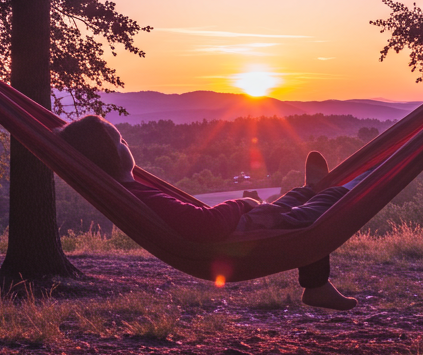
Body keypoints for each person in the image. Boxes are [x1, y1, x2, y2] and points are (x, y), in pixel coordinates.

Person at [59, 114, 358, 310]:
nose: (127, 143)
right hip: (238, 233)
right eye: (121, 140)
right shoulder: (139, 196)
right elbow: (206, 226)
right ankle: (348, 185)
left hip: (239, 228)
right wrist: (243, 204)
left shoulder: (130, 192)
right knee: (321, 210)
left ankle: (311, 197)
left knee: (294, 204)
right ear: (114, 154)